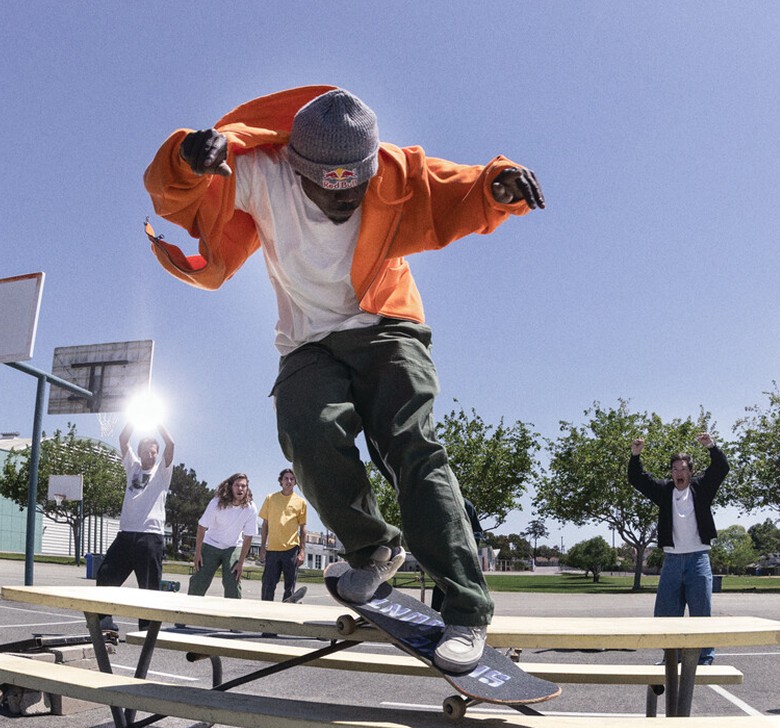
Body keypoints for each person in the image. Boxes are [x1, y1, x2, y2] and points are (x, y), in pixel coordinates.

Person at [144, 85, 545, 672]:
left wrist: (496, 186)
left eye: (352, 193)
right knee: (303, 431)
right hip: (307, 340)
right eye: (324, 192)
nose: (340, 206)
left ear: (367, 171)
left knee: (410, 445)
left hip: (386, 326)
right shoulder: (258, 170)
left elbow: (453, 184)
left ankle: (465, 610)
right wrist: (185, 161)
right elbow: (176, 193)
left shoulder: (392, 173)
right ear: (295, 166)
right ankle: (373, 547)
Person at [628, 433, 729, 665]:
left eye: (683, 469)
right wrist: (636, 454)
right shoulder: (664, 491)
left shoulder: (702, 488)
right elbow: (637, 479)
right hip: (672, 561)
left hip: (698, 559)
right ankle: (671, 657)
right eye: (675, 469)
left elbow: (722, 467)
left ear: (690, 472)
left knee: (701, 612)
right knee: (666, 614)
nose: (679, 473)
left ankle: (704, 658)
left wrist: (711, 447)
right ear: (671, 473)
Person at [96, 422, 174, 631]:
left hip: (150, 537)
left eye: (153, 452)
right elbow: (123, 439)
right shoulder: (132, 467)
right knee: (105, 575)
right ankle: (104, 620)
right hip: (125, 536)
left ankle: (146, 630)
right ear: (139, 453)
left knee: (148, 587)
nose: (151, 455)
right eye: (146, 452)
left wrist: (157, 422)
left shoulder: (162, 472)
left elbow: (171, 443)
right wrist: (134, 418)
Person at [188, 473, 258, 599]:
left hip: (233, 546)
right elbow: (201, 527)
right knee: (199, 581)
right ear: (231, 487)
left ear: (247, 489)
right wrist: (197, 553)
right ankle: (186, 615)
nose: (240, 489)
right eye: (237, 485)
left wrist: (240, 563)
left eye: (244, 486)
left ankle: (233, 617)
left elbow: (248, 537)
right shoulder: (217, 503)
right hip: (211, 544)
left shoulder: (250, 508)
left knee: (232, 581)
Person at [259, 468, 307, 603]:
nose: (289, 481)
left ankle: (287, 612)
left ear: (295, 482)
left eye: (292, 479)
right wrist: (263, 547)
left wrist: (302, 551)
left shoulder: (301, 502)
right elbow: (265, 525)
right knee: (268, 586)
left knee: (289, 588)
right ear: (280, 481)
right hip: (272, 550)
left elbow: (303, 528)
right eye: (286, 478)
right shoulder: (270, 498)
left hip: (291, 549)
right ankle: (264, 614)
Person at [431, 499, 483, 614]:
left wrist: (468, 547)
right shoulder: (437, 503)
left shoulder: (466, 505)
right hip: (444, 552)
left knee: (463, 586)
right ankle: (437, 615)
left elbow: (477, 532)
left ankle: (464, 617)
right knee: (442, 586)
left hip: (463, 554)